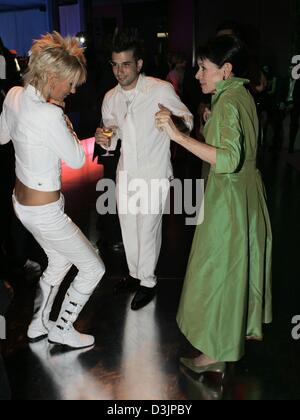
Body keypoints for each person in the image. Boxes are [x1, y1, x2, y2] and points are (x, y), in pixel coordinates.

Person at [155, 35, 272, 373]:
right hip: (247, 196)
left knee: (217, 274)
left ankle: (215, 354)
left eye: (204, 68)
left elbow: (230, 159)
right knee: (233, 272)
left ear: (226, 70)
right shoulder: (240, 93)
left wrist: (178, 135)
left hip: (228, 203)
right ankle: (229, 338)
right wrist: (209, 121)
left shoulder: (229, 102)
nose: (197, 74)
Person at [0, 32, 105, 349]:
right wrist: (64, 121)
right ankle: (63, 327)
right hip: (44, 211)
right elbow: (75, 158)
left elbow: (3, 136)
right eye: (69, 84)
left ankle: (37, 324)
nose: (72, 91)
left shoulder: (14, 95)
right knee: (93, 268)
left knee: (58, 262)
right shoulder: (50, 114)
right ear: (51, 77)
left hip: (23, 204)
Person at [95, 30, 193, 310]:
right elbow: (112, 134)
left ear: (139, 64)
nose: (119, 71)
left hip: (154, 171)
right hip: (126, 171)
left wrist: (173, 121)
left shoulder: (159, 89)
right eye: (114, 64)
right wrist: (105, 137)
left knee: (148, 229)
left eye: (125, 64)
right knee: (128, 226)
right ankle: (135, 274)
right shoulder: (110, 97)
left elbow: (187, 119)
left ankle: (148, 282)